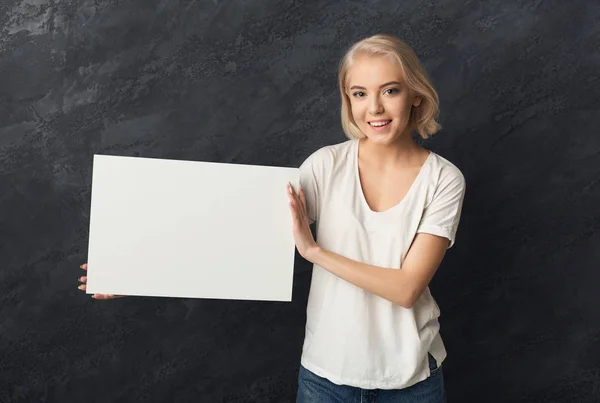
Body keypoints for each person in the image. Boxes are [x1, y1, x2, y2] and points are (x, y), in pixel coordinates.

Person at [78, 33, 466, 403]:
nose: (375, 108)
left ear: (415, 94)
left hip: (413, 377)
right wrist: (136, 269)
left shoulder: (444, 179)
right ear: (348, 101)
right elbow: (238, 232)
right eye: (360, 93)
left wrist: (313, 251)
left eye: (390, 90)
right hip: (326, 376)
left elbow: (406, 289)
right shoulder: (326, 165)